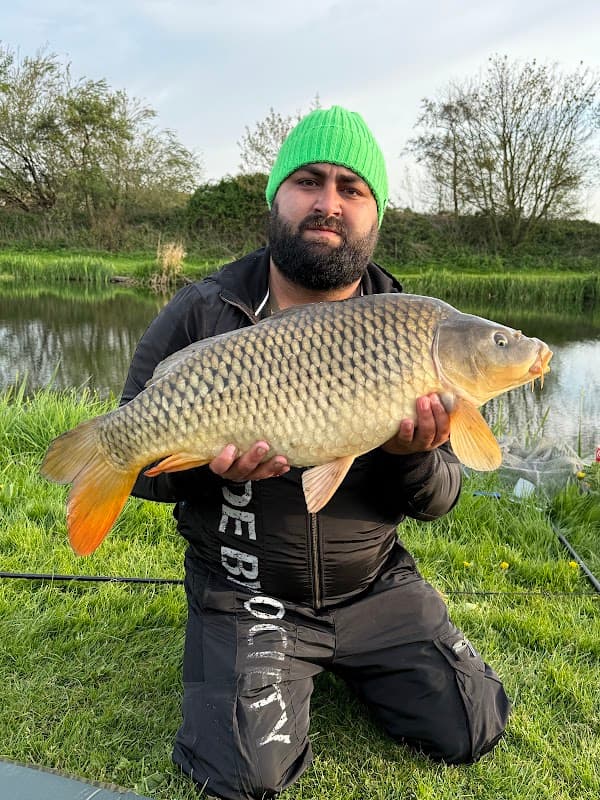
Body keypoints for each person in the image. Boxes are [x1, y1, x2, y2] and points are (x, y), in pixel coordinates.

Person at [120, 106, 510, 800]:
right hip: (249, 588)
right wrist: (204, 469)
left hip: (373, 585)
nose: (329, 202)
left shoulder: (414, 323)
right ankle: (267, 660)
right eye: (308, 181)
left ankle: (351, 659)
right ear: (277, 197)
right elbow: (143, 475)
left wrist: (413, 454)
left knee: (474, 725)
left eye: (351, 189)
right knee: (245, 776)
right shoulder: (202, 312)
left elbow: (440, 499)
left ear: (375, 213)